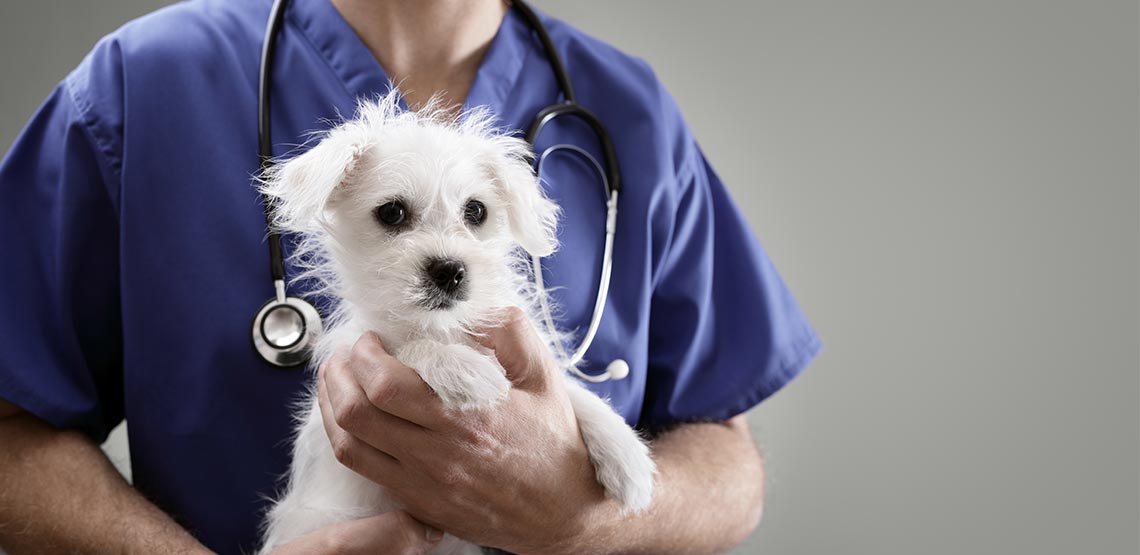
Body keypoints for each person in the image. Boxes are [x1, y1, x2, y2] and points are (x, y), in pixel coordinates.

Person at [0, 0, 822, 553]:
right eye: (395, 216)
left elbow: (729, 462)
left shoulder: (630, 107)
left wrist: (579, 519)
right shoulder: (144, 84)